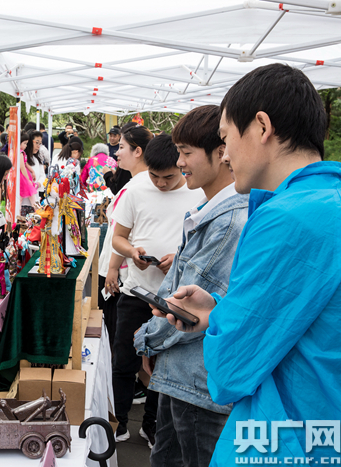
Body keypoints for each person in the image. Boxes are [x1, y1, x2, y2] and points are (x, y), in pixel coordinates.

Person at [155, 64, 341, 466]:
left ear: (262, 127)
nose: (225, 155)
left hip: (286, 441)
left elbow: (228, 369)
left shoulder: (288, 217)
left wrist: (224, 327)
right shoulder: (332, 200)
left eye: (225, 139)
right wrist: (219, 312)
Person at [134, 105, 247, 466]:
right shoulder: (212, 210)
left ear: (221, 153)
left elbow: (187, 308)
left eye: (186, 153)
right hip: (184, 375)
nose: (180, 163)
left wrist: (146, 340)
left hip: (198, 382)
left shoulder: (228, 221)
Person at [110, 131, 203, 446]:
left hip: (174, 301)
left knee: (162, 369)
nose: (161, 183)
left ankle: (151, 426)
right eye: (154, 176)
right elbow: (118, 238)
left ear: (180, 165)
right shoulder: (136, 190)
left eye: (168, 177)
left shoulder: (198, 193)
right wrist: (132, 251)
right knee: (124, 362)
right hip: (136, 293)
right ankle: (118, 421)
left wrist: (178, 259)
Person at [100, 127, 152, 362]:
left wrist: (112, 267)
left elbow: (124, 234)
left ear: (138, 151)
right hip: (119, 270)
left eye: (121, 147)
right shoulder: (135, 184)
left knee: (119, 341)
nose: (117, 153)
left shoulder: (138, 186)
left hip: (121, 274)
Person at [18, 131, 39, 215]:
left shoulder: (21, 152)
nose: (26, 146)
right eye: (25, 143)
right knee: (30, 195)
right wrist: (27, 179)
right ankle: (38, 211)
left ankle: (17, 214)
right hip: (23, 176)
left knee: (22, 197)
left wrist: (32, 171)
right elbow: (22, 167)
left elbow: (25, 164)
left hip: (24, 175)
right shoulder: (20, 152)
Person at [24, 129, 46, 196]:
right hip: (23, 196)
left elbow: (43, 176)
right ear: (29, 142)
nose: (38, 146)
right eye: (37, 142)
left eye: (40, 143)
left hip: (35, 195)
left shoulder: (37, 159)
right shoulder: (22, 158)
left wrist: (37, 184)